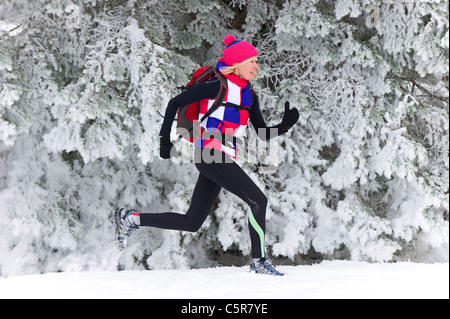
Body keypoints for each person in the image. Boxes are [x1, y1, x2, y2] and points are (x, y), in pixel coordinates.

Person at [115, 35, 299, 276]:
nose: (256, 66)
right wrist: (163, 140)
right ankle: (259, 262)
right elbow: (174, 103)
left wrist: (284, 125)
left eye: (257, 61)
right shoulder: (217, 85)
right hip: (209, 152)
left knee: (192, 222)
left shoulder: (249, 95)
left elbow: (262, 133)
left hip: (220, 156)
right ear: (238, 64)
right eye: (252, 61)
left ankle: (131, 219)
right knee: (258, 201)